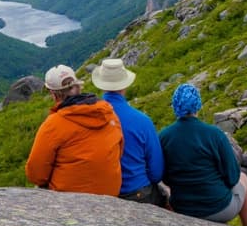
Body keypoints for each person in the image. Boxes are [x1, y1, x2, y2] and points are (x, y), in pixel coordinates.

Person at [159, 83, 247, 226]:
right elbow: (232, 176)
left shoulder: (164, 136)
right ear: (198, 106)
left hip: (182, 207)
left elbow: (164, 178)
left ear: (175, 106)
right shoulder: (214, 134)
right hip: (218, 208)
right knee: (244, 178)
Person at [25, 64, 123, 195]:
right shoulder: (107, 112)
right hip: (110, 194)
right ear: (78, 86)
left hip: (70, 201)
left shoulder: (54, 124)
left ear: (53, 94)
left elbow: (36, 174)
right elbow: (119, 151)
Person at [91, 58, 166, 205]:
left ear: (102, 85)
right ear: (125, 85)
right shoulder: (142, 121)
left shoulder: (87, 118)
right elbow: (156, 173)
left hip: (99, 193)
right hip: (137, 193)